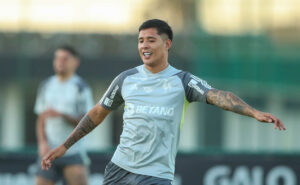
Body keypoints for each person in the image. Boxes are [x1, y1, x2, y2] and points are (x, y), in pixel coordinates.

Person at [41, 19, 286, 185]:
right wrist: (65, 146)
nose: (144, 46)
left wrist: (254, 112)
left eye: (150, 40)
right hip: (119, 169)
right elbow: (97, 113)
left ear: (167, 44)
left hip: (155, 175)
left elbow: (218, 96)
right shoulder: (126, 79)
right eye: (140, 41)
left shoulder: (183, 81)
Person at [34, 45, 93, 185]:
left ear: (75, 62)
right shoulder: (46, 85)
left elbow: (88, 122)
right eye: (57, 58)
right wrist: (42, 143)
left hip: (73, 152)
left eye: (65, 59)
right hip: (48, 152)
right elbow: (41, 118)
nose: (60, 62)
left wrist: (62, 115)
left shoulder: (81, 87)